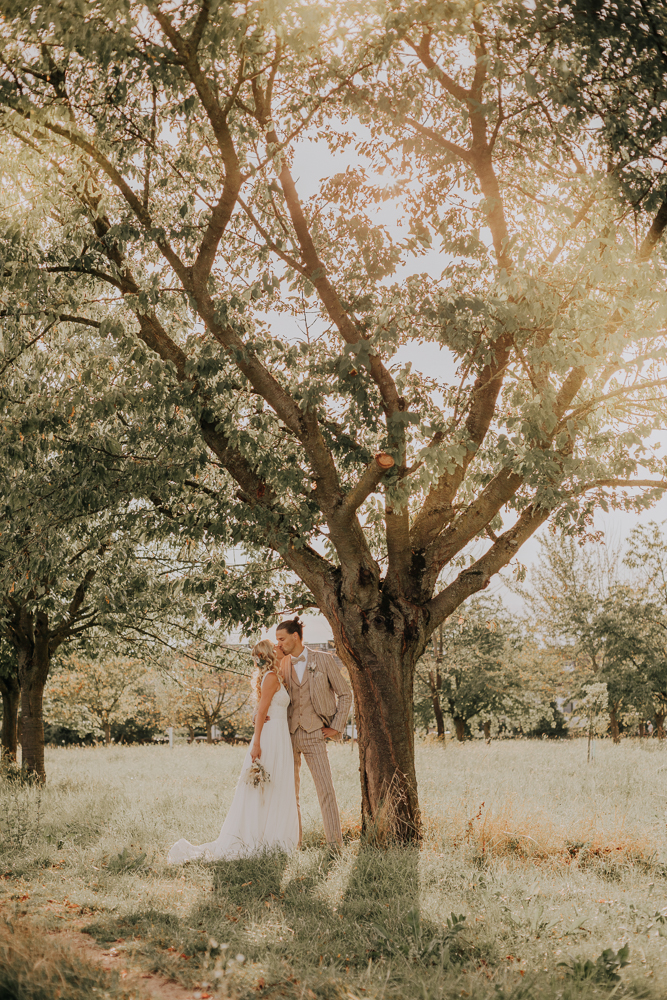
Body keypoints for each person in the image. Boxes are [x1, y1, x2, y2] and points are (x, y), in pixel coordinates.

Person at [167, 640, 298, 863]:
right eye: (274, 647)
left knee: (273, 786)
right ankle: (261, 837)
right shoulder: (271, 678)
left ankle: (271, 835)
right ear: (270, 654)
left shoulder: (273, 676)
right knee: (264, 787)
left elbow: (261, 711)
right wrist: (256, 743)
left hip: (279, 736)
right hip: (270, 737)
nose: (278, 648)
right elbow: (262, 711)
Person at [276, 617, 352, 849]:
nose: (277, 644)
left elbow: (345, 694)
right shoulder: (281, 663)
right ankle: (294, 844)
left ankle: (334, 845)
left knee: (325, 790)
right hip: (287, 736)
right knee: (290, 794)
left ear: (296, 637)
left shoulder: (324, 660)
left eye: (281, 639)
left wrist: (337, 726)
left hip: (315, 734)